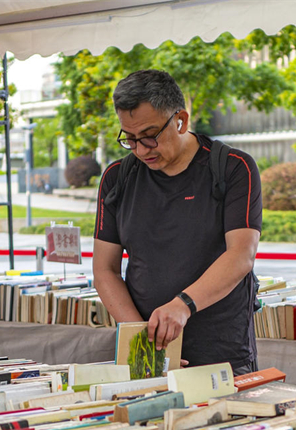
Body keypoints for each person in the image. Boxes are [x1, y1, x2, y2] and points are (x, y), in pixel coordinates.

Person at [92, 69, 262, 375]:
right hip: (150, 355)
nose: (142, 150)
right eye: (130, 139)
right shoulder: (117, 178)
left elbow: (241, 256)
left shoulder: (233, 169)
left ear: (180, 120)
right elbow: (104, 269)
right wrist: (141, 336)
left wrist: (182, 305)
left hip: (221, 352)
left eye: (150, 136)